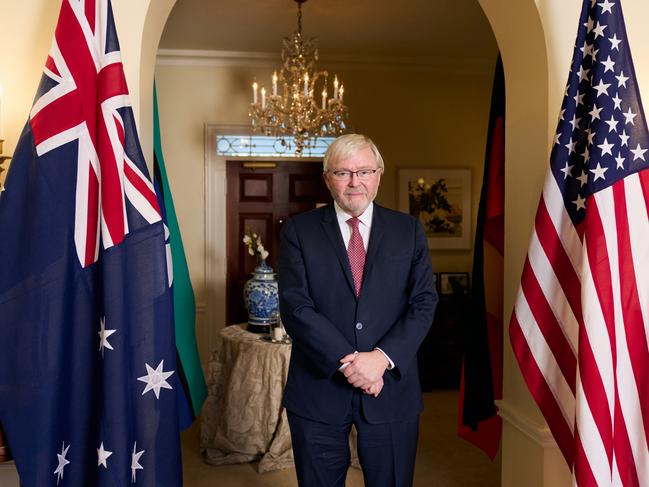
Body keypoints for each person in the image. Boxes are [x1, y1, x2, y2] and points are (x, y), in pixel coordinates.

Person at [278, 133, 438, 487]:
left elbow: (424, 301)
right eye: (343, 173)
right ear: (327, 179)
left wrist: (381, 358)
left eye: (364, 171)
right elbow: (295, 306)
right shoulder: (298, 231)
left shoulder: (407, 230)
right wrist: (350, 362)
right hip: (318, 391)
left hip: (391, 389)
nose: (355, 182)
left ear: (378, 174)